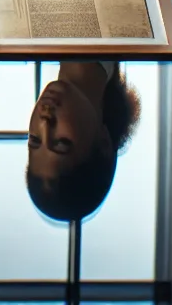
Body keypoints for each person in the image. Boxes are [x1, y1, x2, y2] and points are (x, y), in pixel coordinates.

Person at [26, 61, 141, 222]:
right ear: (103, 142)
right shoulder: (136, 44)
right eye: (61, 143)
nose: (45, 123)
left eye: (35, 140)